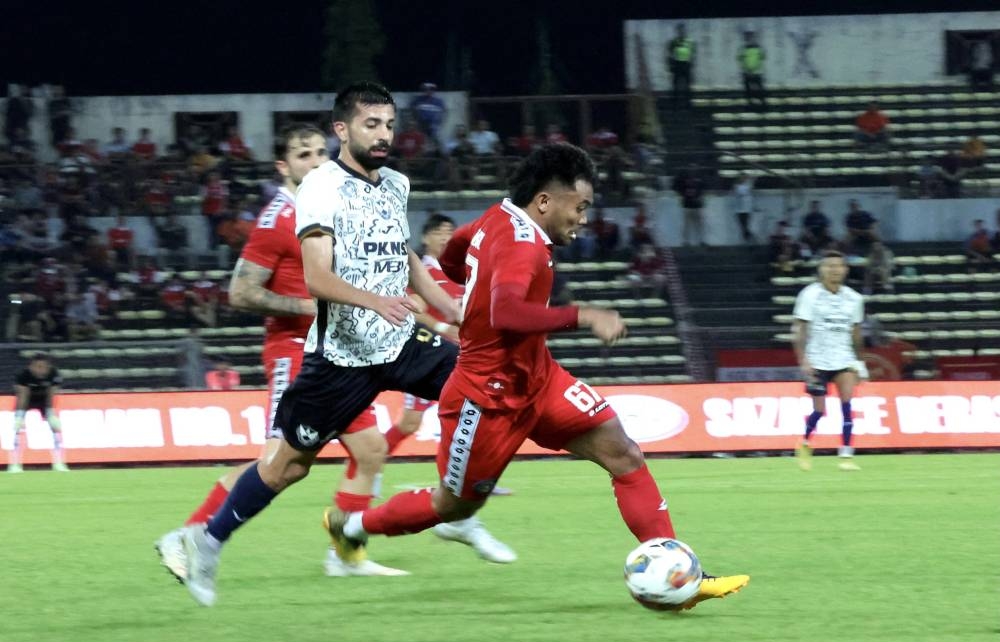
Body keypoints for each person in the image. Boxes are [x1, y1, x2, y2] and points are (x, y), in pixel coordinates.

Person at [322, 142, 749, 611]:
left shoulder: (496, 217)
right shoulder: (524, 248)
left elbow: (452, 258)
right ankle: (352, 526)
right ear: (544, 201)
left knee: (623, 453)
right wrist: (583, 314)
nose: (583, 218)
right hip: (485, 399)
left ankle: (680, 576)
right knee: (453, 506)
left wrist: (476, 290)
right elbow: (505, 312)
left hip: (539, 381)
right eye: (580, 206)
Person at [173, 82, 511, 607]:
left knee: (486, 384)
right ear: (342, 130)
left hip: (399, 340)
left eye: (389, 125)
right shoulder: (320, 189)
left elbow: (405, 261)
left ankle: (454, 508)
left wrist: (454, 312)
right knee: (288, 465)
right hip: (342, 357)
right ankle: (208, 540)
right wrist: (373, 301)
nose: (382, 135)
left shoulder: (395, 184)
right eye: (371, 125)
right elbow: (316, 278)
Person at [381, 213, 516, 504]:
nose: (446, 237)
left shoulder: (460, 270)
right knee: (410, 424)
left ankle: (477, 480)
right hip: (428, 356)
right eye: (440, 232)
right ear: (426, 237)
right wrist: (443, 327)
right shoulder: (422, 270)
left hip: (460, 359)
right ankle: (370, 463)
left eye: (450, 232)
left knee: (475, 415)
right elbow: (413, 308)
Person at [792, 250, 867, 472]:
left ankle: (846, 455)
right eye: (829, 266)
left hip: (843, 358)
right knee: (819, 410)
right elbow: (799, 328)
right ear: (821, 270)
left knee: (847, 405)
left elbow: (856, 332)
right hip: (817, 359)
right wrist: (803, 359)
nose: (834, 270)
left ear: (845, 270)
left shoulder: (854, 299)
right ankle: (805, 443)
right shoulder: (809, 295)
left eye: (838, 266)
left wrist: (860, 361)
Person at [9, 353, 68, 473]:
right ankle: (15, 464)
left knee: (55, 429)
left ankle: (59, 463)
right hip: (26, 399)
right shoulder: (22, 375)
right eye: (38, 367)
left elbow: (51, 395)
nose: (41, 370)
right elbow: (23, 396)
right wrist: (20, 416)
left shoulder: (54, 374)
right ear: (31, 367)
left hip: (43, 399)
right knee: (17, 430)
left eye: (44, 367)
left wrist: (50, 415)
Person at [666, 24, 695, 106]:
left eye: (682, 30)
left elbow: (692, 53)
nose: (681, 32)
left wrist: (691, 64)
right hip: (677, 64)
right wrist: (670, 66)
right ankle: (674, 103)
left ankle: (688, 103)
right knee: (675, 84)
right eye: (679, 30)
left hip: (686, 64)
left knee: (688, 84)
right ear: (677, 31)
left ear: (684, 31)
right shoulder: (674, 42)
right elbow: (669, 54)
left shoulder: (689, 41)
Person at [738, 31, 766, 107]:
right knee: (748, 90)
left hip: (757, 72)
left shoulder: (758, 48)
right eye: (748, 38)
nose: (750, 39)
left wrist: (753, 68)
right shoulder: (742, 49)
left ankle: (762, 104)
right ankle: (750, 104)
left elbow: (762, 58)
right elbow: (740, 59)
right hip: (747, 72)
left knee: (760, 89)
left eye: (751, 37)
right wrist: (746, 68)